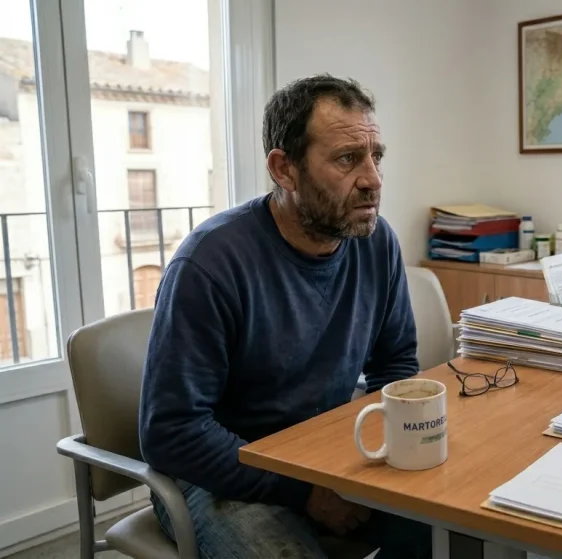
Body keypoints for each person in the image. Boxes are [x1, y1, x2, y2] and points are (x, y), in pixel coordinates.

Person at [138, 74, 431, 558]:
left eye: (375, 156)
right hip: (217, 475)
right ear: (285, 169)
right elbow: (173, 432)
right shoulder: (211, 264)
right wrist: (305, 492)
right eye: (346, 159)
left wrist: (391, 452)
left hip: (323, 453)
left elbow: (395, 363)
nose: (373, 180)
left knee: (454, 532)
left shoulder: (376, 243)